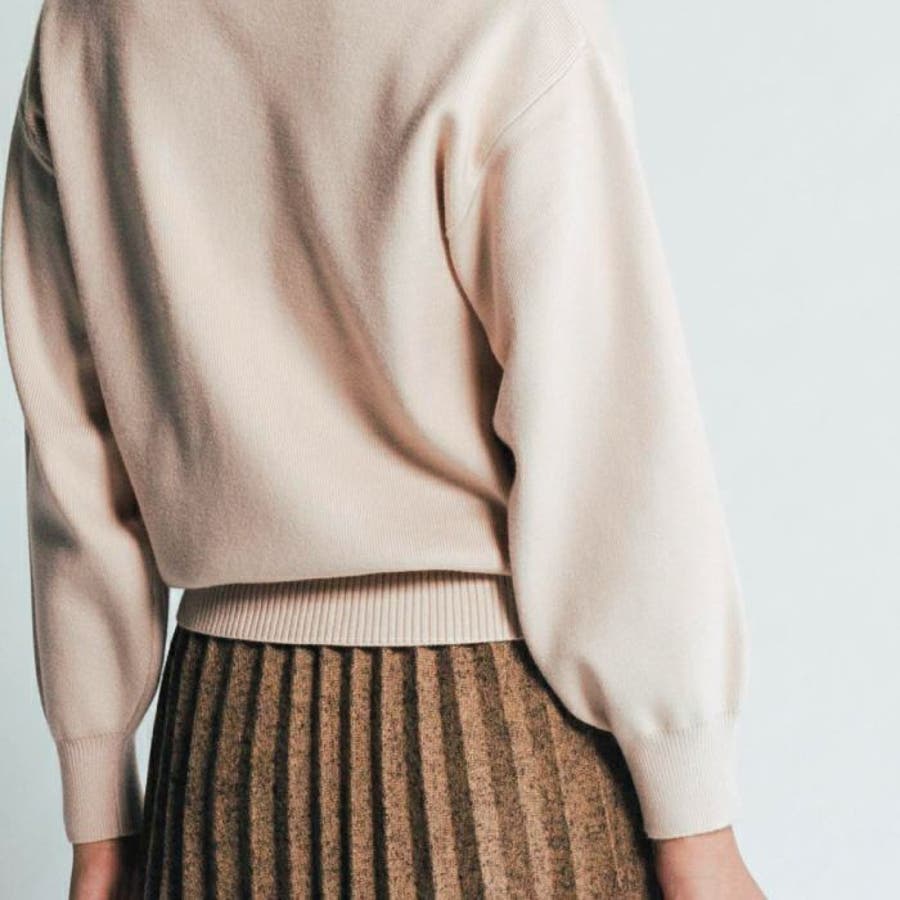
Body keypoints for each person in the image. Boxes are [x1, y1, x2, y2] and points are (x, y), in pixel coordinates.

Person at [1, 0, 765, 897]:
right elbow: (609, 440)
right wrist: (694, 816)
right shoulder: (516, 21)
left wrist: (99, 817)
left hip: (219, 761)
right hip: (494, 753)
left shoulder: (89, 24)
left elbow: (74, 445)